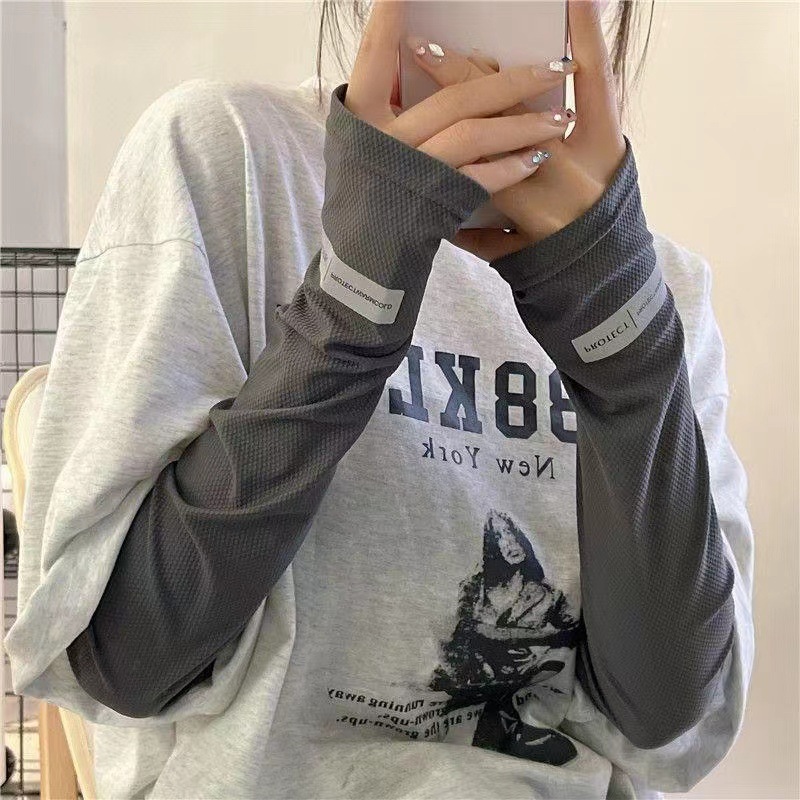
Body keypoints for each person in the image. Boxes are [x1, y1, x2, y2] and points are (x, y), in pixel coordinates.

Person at [3, 1, 755, 798]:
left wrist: (624, 344)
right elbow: (126, 661)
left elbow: (662, 721)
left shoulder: (651, 286)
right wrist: (354, 295)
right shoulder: (230, 156)